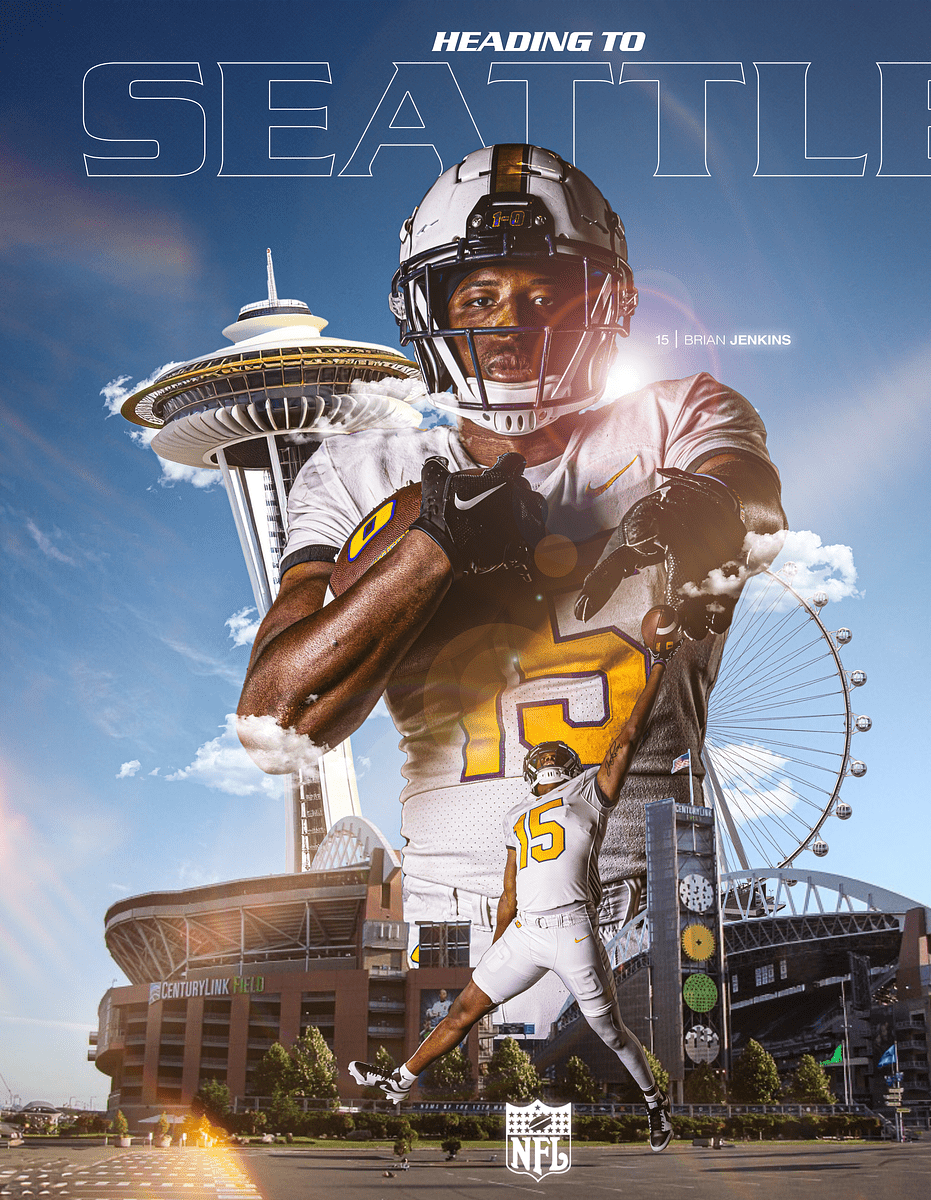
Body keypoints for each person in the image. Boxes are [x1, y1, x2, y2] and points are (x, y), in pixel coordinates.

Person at [237, 143, 786, 1028]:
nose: (512, 321)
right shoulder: (356, 469)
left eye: (545, 294)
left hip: (654, 908)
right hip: (443, 921)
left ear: (601, 305)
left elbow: (750, 499)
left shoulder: (678, 415)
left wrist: (689, 510)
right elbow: (277, 715)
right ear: (428, 311)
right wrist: (433, 544)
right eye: (480, 295)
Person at [348, 648, 676, 1151]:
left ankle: (655, 1102)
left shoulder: (589, 791)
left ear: (564, 765)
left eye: (552, 756)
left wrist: (656, 666)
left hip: (573, 929)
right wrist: (498, 950)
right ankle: (401, 1077)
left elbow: (629, 734)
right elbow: (508, 890)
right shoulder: (516, 814)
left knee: (610, 1029)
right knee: (463, 1008)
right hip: (525, 930)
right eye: (540, 756)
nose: (546, 760)